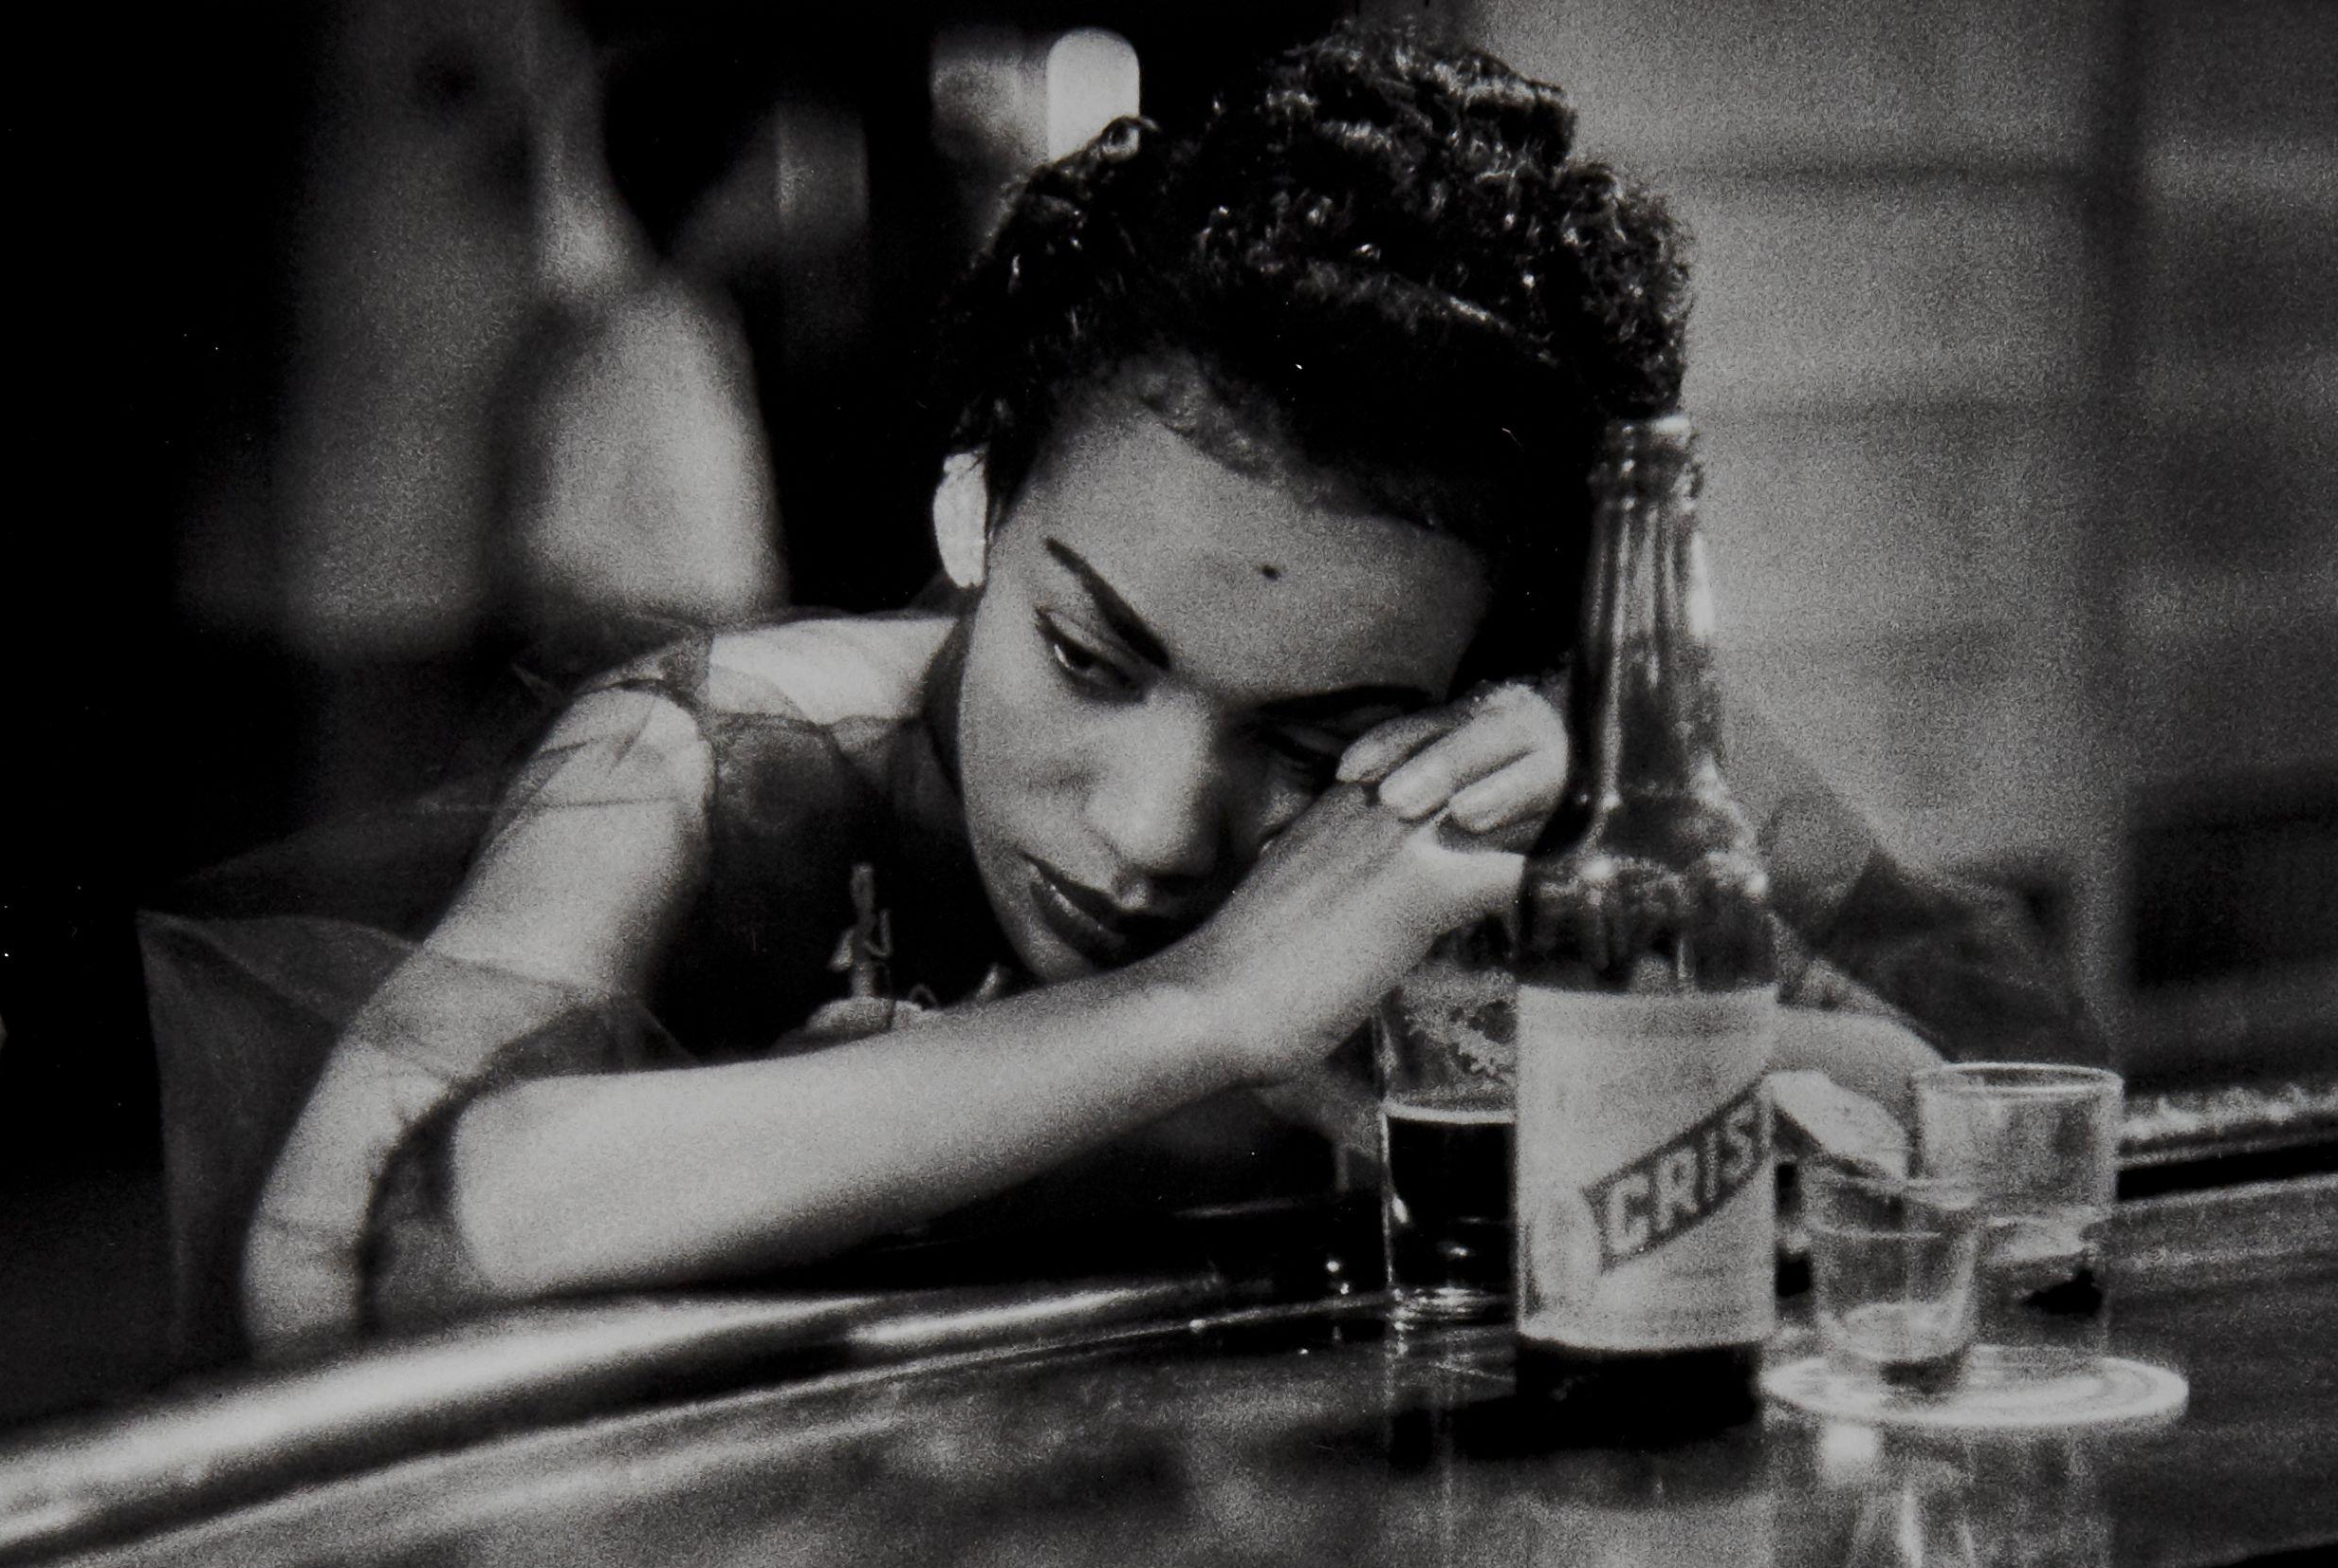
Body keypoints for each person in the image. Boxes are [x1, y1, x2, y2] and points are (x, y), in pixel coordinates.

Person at [147, 27, 2096, 1356]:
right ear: (977, 512)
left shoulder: (1500, 810)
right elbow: (362, 1267)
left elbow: (1949, 1131)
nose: (1154, 827)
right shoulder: (722, 753)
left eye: (1317, 741)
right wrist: (1209, 1017)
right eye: (1090, 657)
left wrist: (1587, 990)